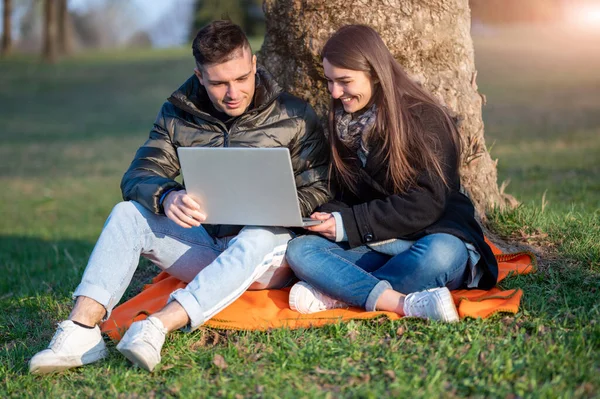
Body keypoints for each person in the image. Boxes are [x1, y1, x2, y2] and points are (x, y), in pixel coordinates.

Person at [29, 20, 331, 374]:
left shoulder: (293, 114)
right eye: (219, 83)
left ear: (254, 66)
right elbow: (138, 175)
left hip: (270, 258)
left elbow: (320, 185)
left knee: (259, 235)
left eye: (241, 79)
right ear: (199, 76)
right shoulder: (178, 113)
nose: (233, 93)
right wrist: (168, 195)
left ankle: (156, 326)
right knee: (128, 214)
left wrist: (277, 207)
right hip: (207, 245)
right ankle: (81, 331)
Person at [286, 25, 499, 322]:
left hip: (431, 236)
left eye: (345, 81)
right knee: (301, 250)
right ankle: (400, 302)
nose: (335, 93)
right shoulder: (343, 124)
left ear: (374, 72)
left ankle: (337, 293)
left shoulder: (425, 119)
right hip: (378, 243)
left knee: (441, 255)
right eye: (330, 81)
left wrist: (348, 224)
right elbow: (346, 194)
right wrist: (329, 217)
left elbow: (428, 202)